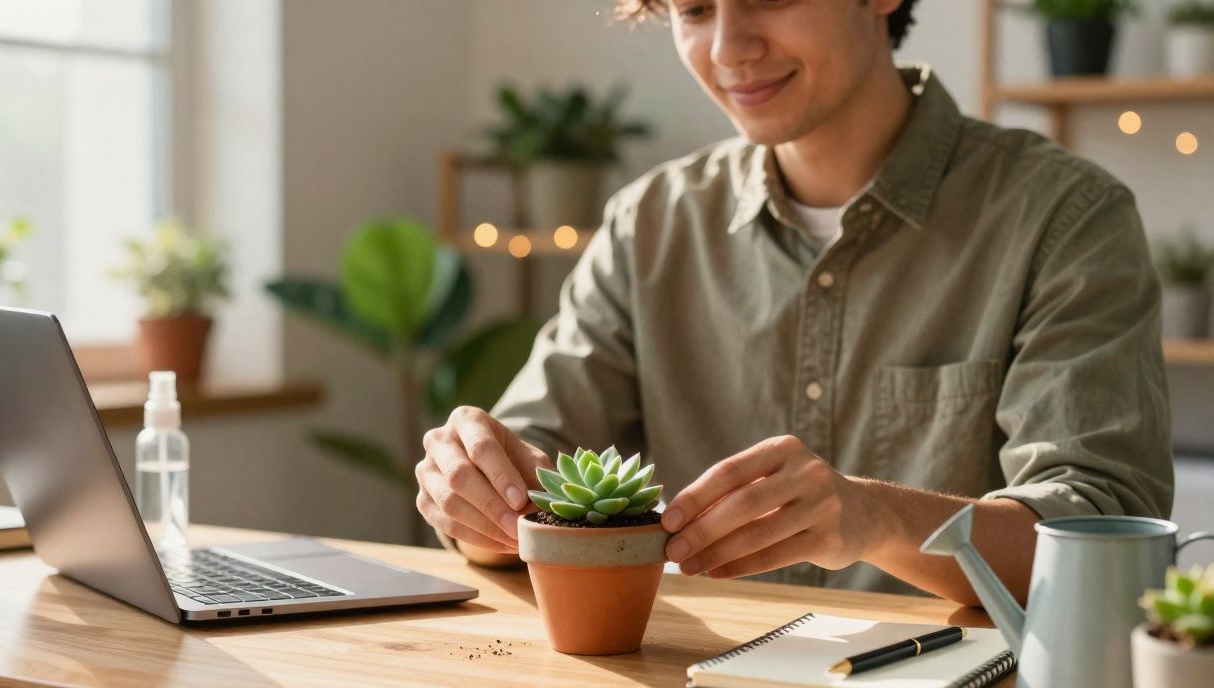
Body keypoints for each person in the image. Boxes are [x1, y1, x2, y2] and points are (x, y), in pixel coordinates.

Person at [415, 0, 1173, 604]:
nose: (728, 48)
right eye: (694, 9)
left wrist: (875, 519)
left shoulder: (1064, 218)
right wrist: (477, 498)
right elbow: (529, 453)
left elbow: (1101, 537)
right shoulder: (650, 223)